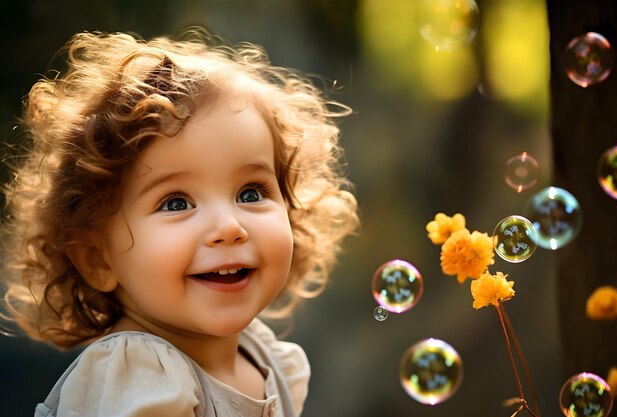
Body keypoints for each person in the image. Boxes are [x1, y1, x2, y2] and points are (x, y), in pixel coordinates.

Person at [1, 28, 358, 417]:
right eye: (176, 202)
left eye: (251, 193)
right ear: (96, 259)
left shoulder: (266, 357)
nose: (228, 226)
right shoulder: (138, 378)